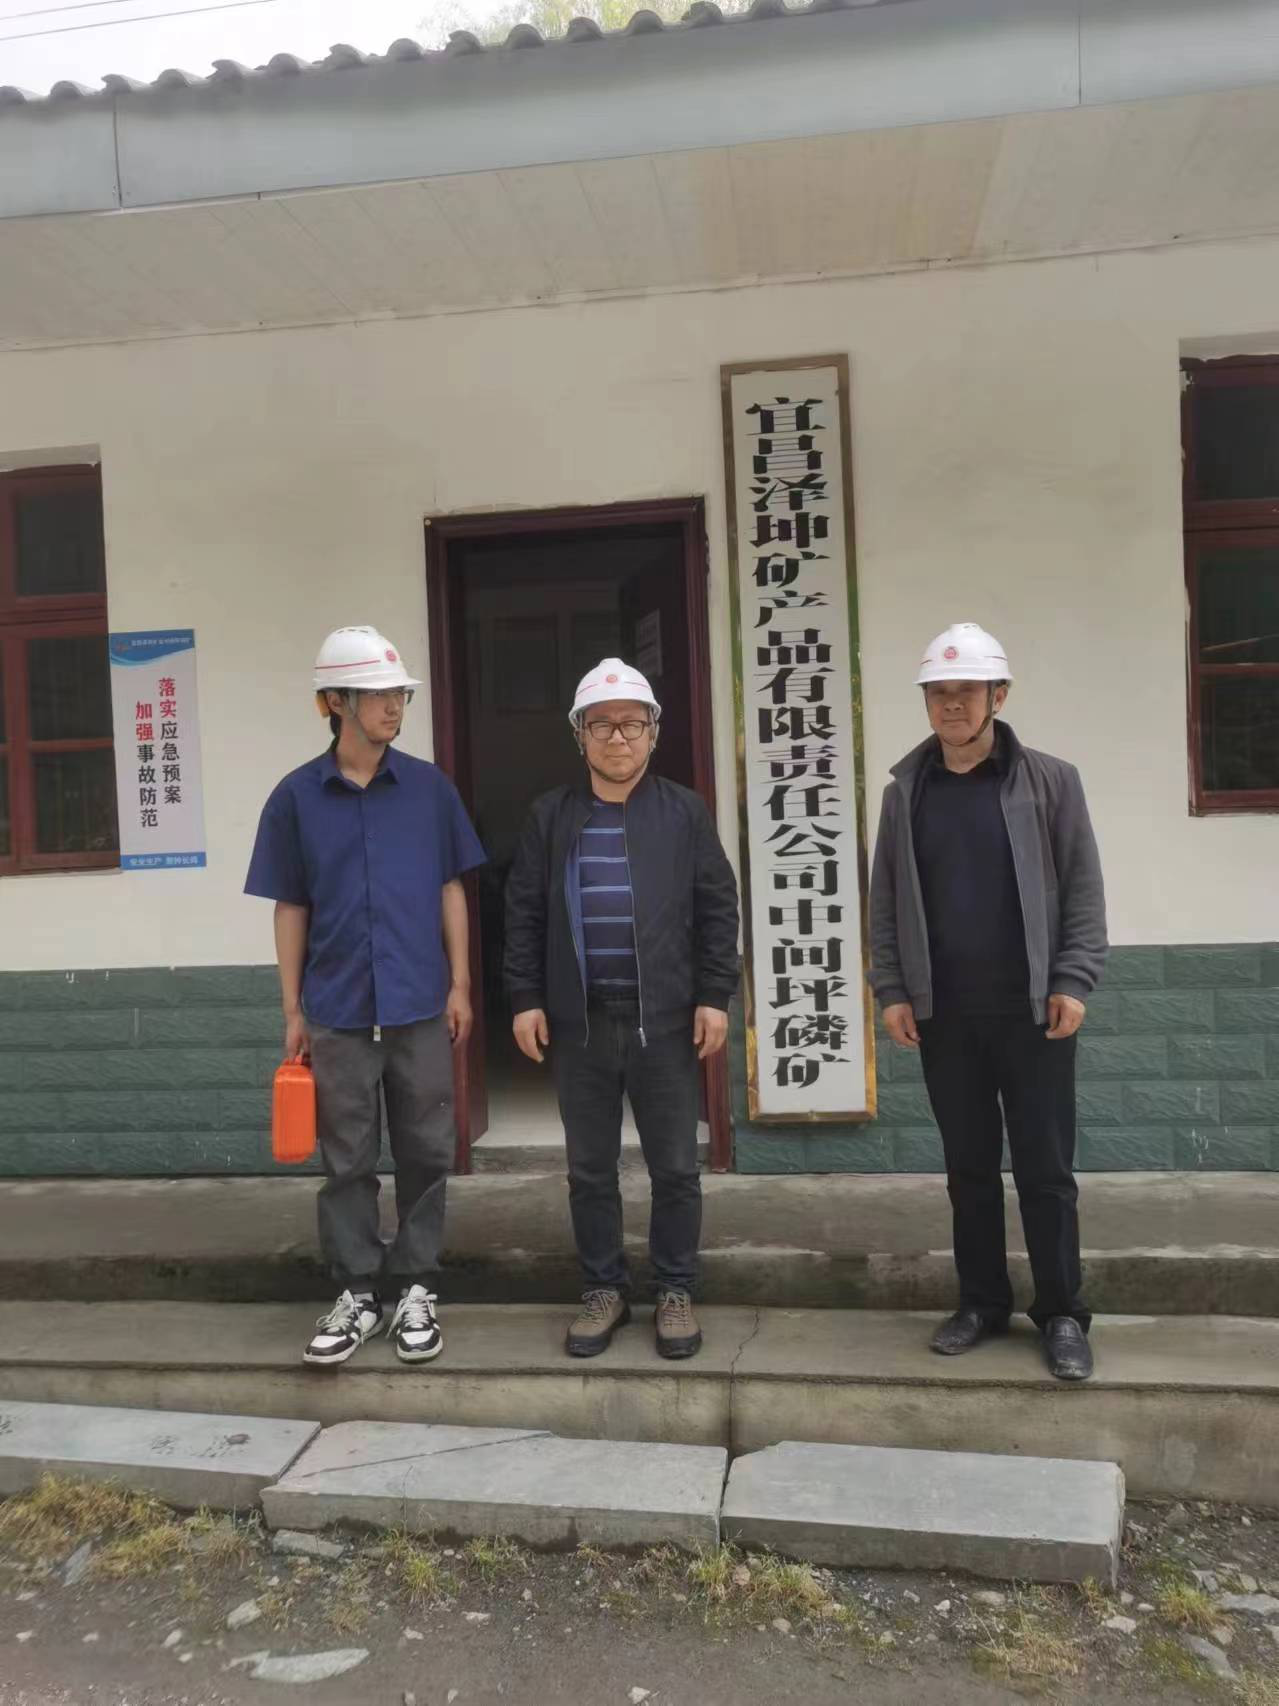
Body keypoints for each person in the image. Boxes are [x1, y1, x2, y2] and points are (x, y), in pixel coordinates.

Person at [869, 623, 1107, 1382]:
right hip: (945, 1016)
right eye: (938, 693)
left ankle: (1062, 1312)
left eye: (965, 692)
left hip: (1034, 1013)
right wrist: (892, 989)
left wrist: (1072, 980)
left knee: (1045, 1171)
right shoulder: (907, 792)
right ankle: (981, 1301)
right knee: (967, 1169)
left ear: (997, 696)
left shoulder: (1050, 782)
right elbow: (884, 902)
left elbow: (1082, 890)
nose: (951, 705)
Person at [245, 625, 485, 1369]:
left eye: (398, 694)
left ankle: (416, 1287)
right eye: (378, 695)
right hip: (337, 1011)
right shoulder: (295, 798)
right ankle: (356, 1292)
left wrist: (460, 984)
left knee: (425, 1151)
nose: (394, 707)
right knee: (346, 1158)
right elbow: (290, 906)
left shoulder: (429, 790)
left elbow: (450, 888)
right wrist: (293, 1009)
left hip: (420, 1004)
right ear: (334, 702)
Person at [503, 658, 739, 1361]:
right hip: (579, 1024)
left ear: (653, 733)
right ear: (579, 735)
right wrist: (525, 999)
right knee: (589, 1170)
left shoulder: (683, 811)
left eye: (631, 724)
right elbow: (523, 911)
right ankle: (603, 1289)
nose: (617, 738)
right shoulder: (551, 815)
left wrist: (714, 995)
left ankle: (675, 1290)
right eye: (601, 725)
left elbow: (716, 906)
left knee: (675, 1168)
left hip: (663, 1021)